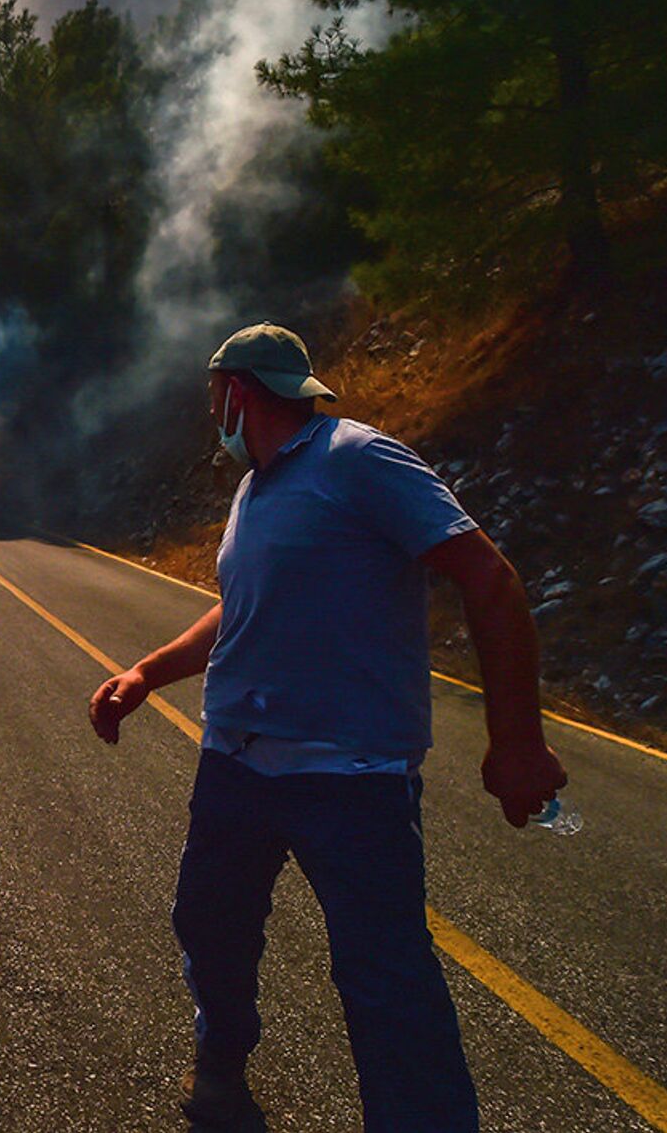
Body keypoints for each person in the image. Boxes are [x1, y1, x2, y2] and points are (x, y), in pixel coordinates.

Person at [88, 324, 567, 1133]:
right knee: (209, 925)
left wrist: (516, 738)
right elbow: (239, 611)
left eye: (215, 400)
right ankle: (222, 1066)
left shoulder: (357, 459)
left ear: (237, 393)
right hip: (237, 766)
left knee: (386, 983)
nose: (213, 416)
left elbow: (486, 573)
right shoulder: (257, 489)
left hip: (350, 780)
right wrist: (146, 675)